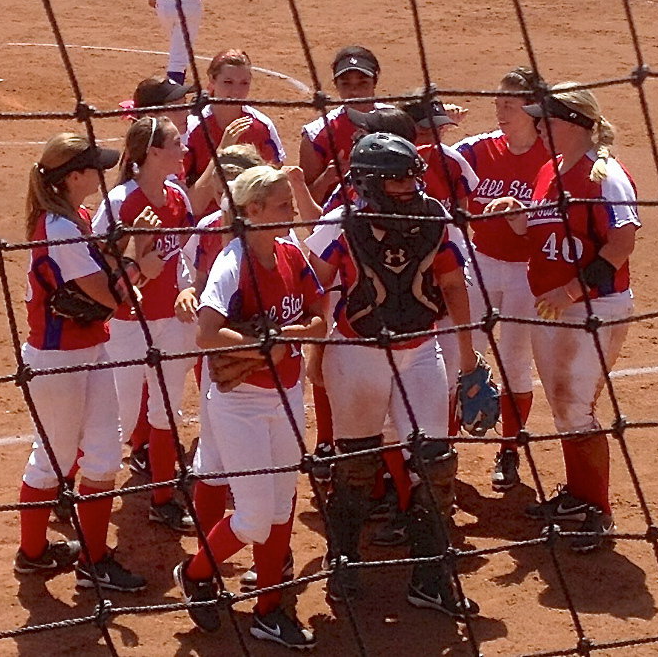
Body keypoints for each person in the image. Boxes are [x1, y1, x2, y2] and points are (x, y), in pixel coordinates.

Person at [305, 133, 482, 617]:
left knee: (436, 463)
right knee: (358, 466)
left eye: (412, 176)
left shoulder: (433, 219)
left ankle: (430, 576)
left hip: (421, 350)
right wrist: (315, 352)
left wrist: (467, 357)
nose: (411, 185)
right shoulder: (341, 224)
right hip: (357, 354)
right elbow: (312, 284)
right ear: (370, 183)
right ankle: (343, 558)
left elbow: (450, 283)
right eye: (398, 178)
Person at [174, 166, 326, 649]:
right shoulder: (231, 262)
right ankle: (196, 573)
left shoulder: (290, 254)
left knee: (281, 508)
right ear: (252, 210)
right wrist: (265, 348)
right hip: (238, 403)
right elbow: (206, 332)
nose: (292, 211)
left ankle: (268, 610)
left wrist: (279, 342)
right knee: (256, 517)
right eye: (282, 205)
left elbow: (321, 319)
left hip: (284, 396)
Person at [485, 85, 639, 551]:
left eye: (544, 118)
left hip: (595, 307)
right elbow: (540, 230)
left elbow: (622, 243)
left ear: (570, 122)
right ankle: (577, 495)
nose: (537, 124)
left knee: (576, 408)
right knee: (563, 406)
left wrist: (573, 290)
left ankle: (598, 510)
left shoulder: (604, 174)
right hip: (552, 304)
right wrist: (516, 215)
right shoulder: (549, 170)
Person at [15, 133, 146, 592]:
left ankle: (94, 560)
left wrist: (121, 247)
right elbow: (110, 297)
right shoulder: (60, 228)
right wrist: (138, 259)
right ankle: (31, 555)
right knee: (53, 461)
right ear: (74, 176)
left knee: (105, 456)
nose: (100, 173)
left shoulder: (79, 217)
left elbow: (101, 279)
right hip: (57, 362)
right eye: (93, 168)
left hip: (91, 351)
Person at [92, 115, 197, 534]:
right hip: (124, 325)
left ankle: (161, 498)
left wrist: (187, 288)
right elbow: (96, 263)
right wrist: (138, 266)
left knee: (167, 410)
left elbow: (182, 258)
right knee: (115, 413)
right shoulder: (119, 202)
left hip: (171, 320)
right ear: (152, 152)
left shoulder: (177, 197)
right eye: (175, 142)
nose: (183, 147)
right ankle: (69, 489)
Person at [451, 67, 549, 491]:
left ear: (534, 109)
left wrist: (522, 220)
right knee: (456, 350)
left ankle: (509, 450)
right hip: (481, 262)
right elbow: (426, 160)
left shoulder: (552, 157)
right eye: (498, 103)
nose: (501, 111)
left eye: (511, 104)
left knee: (514, 363)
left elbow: (558, 223)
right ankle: (443, 448)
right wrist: (432, 119)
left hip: (530, 273)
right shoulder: (476, 149)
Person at [184, 49, 285, 206]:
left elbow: (273, 189)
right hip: (205, 224)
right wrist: (222, 151)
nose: (236, 92)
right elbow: (192, 206)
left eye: (244, 83)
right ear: (211, 80)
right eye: (228, 82)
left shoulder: (261, 126)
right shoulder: (192, 128)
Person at [299, 45, 388, 207]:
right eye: (346, 84)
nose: (354, 92)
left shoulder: (395, 122)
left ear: (375, 82)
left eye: (362, 83)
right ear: (336, 85)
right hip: (338, 224)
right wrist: (327, 178)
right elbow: (305, 202)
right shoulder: (316, 134)